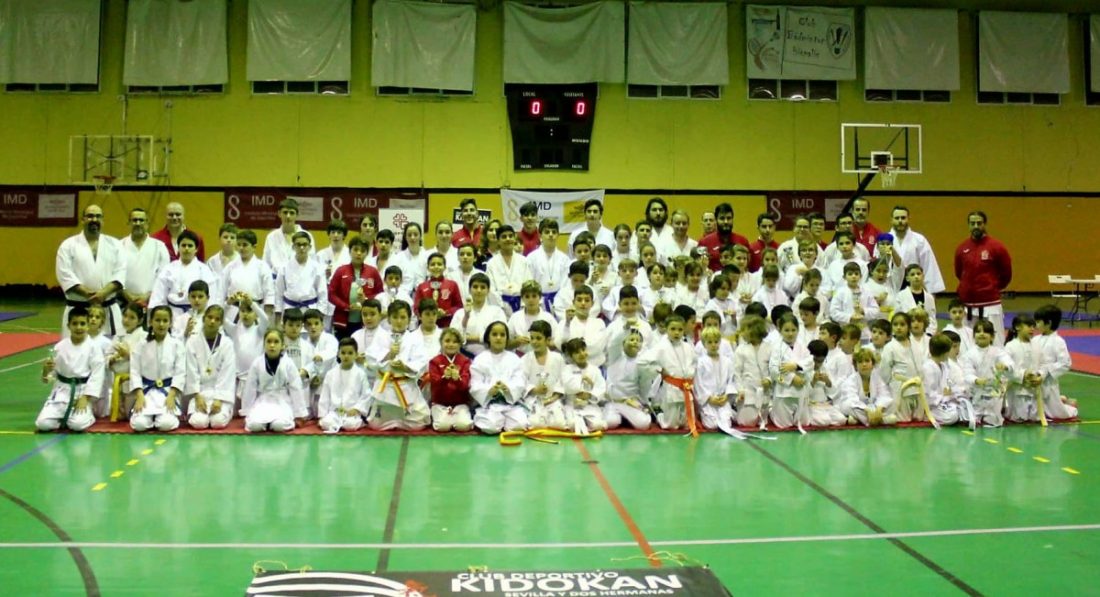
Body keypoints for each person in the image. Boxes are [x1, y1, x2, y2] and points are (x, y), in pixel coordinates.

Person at [56, 204, 126, 337]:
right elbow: (65, 275)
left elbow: (120, 272)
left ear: (103, 220)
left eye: (98, 216)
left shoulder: (115, 244)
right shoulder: (68, 245)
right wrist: (90, 294)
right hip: (78, 310)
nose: (94, 219)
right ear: (83, 220)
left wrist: (103, 294)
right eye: (90, 216)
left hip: (107, 308)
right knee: (75, 348)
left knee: (110, 347)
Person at [366, 300, 431, 430]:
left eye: (402, 317)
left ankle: (401, 420)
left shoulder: (415, 338)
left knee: (418, 424)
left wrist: (404, 367)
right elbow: (370, 358)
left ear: (409, 319)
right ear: (389, 319)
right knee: (375, 425)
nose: (399, 321)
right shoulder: (381, 336)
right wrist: (388, 355)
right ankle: (391, 420)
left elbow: (421, 361)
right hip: (385, 386)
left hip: (405, 385)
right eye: (395, 317)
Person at [36, 307, 103, 432]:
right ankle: (64, 418)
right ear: (68, 326)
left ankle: (89, 416)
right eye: (75, 324)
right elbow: (49, 378)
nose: (78, 327)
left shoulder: (93, 348)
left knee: (77, 425)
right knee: (42, 424)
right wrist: (46, 370)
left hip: (82, 392)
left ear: (88, 325)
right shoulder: (60, 347)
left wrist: (86, 398)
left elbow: (97, 375)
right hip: (61, 393)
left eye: (82, 323)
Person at [954, 210, 1012, 345]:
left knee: (996, 341)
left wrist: (992, 287)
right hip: (968, 303)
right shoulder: (962, 248)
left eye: (979, 223)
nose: (976, 226)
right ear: (968, 225)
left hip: (990, 303)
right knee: (968, 343)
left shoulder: (997, 247)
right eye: (972, 223)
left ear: (984, 224)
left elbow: (1006, 274)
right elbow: (959, 273)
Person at [129, 305, 186, 432]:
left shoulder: (177, 345)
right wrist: (139, 395)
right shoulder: (141, 345)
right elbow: (135, 371)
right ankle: (150, 419)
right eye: (157, 320)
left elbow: (180, 373)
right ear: (150, 322)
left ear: (170, 323)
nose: (161, 324)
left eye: (165, 321)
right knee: (139, 425)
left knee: (165, 424)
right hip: (146, 391)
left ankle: (159, 419)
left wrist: (172, 395)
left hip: (167, 391)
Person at [241, 329, 307, 432]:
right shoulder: (257, 363)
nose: (272, 345)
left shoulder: (288, 363)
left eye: (276, 342)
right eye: (269, 341)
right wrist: (246, 412)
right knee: (255, 426)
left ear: (282, 345)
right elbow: (250, 388)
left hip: (282, 402)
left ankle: (271, 424)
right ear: (264, 344)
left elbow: (296, 388)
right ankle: (265, 424)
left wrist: (300, 414)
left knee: (278, 426)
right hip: (263, 402)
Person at [640, 314, 697, 431]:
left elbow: (695, 363)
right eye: (673, 329)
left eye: (680, 329)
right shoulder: (661, 347)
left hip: (686, 387)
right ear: (666, 329)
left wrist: (691, 375)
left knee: (687, 424)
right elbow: (641, 361)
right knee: (671, 425)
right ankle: (658, 412)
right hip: (671, 387)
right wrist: (659, 369)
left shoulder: (688, 347)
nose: (676, 333)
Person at [184, 305, 237, 429]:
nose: (212, 321)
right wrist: (197, 396)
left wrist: (219, 399)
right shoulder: (192, 341)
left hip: (220, 393)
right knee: (198, 423)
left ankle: (225, 410)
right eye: (210, 317)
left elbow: (227, 374)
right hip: (200, 392)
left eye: (217, 319)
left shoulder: (227, 344)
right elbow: (191, 371)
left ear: (221, 323)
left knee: (217, 422)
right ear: (204, 318)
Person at [149, 231, 221, 321]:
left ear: (196, 249)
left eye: (190, 246)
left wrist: (207, 317)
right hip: (172, 314)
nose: (186, 248)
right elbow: (158, 296)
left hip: (196, 314)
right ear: (178, 248)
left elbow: (211, 298)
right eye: (183, 245)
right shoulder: (168, 269)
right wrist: (160, 317)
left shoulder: (204, 270)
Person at [470, 322, 527, 434]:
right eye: (494, 334)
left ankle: (504, 420)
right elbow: (475, 383)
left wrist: (508, 388)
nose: (498, 338)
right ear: (488, 337)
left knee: (519, 425)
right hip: (489, 405)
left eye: (502, 335)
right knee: (490, 427)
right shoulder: (480, 359)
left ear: (507, 338)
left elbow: (519, 381)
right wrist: (489, 390)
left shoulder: (514, 358)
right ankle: (496, 420)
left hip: (510, 404)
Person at [878, 206, 945, 294]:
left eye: (903, 218)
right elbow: (877, 264)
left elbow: (928, 265)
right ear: (891, 220)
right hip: (890, 285)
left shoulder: (919, 240)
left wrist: (931, 293)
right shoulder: (884, 240)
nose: (900, 221)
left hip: (913, 285)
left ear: (908, 219)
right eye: (897, 218)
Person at [327, 235, 384, 339]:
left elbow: (380, 294)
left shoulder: (372, 272)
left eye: (362, 251)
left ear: (366, 253)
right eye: (356, 249)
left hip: (366, 320)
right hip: (342, 320)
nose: (358, 253)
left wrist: (366, 300)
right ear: (350, 251)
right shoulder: (341, 271)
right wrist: (346, 306)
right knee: (344, 347)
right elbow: (331, 294)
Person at [959, 319, 1011, 428]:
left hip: (993, 392)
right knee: (973, 419)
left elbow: (1008, 362)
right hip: (976, 391)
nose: (982, 334)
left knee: (993, 420)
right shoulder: (969, 354)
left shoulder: (998, 352)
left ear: (992, 337)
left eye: (985, 332)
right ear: (974, 336)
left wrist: (1005, 366)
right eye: (978, 332)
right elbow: (967, 373)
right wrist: (976, 380)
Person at [1032, 304, 1078, 421]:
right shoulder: (1035, 339)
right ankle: (1061, 399)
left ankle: (1069, 406)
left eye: (1038, 322)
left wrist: (1046, 372)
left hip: (1048, 382)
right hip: (1033, 381)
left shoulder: (1058, 342)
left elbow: (1065, 363)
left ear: (1048, 323)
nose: (1036, 325)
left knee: (1056, 414)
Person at [768, 313, 812, 430]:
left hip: (801, 389)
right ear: (780, 330)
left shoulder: (802, 346)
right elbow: (774, 371)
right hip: (783, 391)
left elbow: (810, 364)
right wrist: (791, 379)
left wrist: (796, 366)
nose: (790, 333)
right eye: (786, 330)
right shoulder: (777, 348)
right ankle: (771, 410)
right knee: (783, 425)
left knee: (804, 423)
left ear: (798, 330)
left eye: (793, 330)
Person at [694, 327, 740, 436]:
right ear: (704, 344)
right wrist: (709, 398)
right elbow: (698, 383)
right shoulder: (700, 363)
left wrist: (727, 396)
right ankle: (705, 413)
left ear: (720, 342)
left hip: (723, 398)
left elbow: (731, 380)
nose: (713, 345)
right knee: (712, 425)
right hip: (709, 400)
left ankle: (729, 412)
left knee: (726, 424)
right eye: (710, 342)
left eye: (716, 342)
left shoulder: (727, 362)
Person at [120, 207, 170, 309]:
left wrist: (147, 295)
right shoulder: (119, 245)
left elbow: (164, 276)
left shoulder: (159, 247)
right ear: (129, 223)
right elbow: (114, 274)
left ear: (147, 223)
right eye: (134, 220)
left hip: (152, 301)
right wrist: (125, 293)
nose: (138, 223)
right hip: (124, 301)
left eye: (141, 220)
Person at [605, 329, 654, 430]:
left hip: (631, 402)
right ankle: (620, 417)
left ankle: (626, 418)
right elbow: (614, 343)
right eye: (631, 339)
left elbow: (645, 385)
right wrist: (625, 328)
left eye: (638, 340)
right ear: (623, 343)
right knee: (610, 422)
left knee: (644, 424)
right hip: (614, 401)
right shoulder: (615, 356)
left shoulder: (642, 362)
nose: (635, 342)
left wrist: (644, 403)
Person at [522, 321, 568, 430]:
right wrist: (534, 390)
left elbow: (563, 381)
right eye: (532, 338)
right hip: (534, 399)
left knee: (559, 424)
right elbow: (522, 381)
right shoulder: (525, 359)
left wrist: (554, 398)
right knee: (535, 424)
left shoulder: (558, 358)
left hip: (553, 399)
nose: (534, 342)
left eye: (538, 338)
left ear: (548, 340)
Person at [317, 338, 369, 433]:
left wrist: (357, 409)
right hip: (334, 412)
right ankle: (337, 424)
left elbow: (366, 395)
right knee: (325, 422)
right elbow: (325, 395)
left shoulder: (360, 374)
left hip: (351, 412)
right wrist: (322, 415)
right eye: (343, 353)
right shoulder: (330, 373)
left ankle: (349, 424)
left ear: (356, 355)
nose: (346, 356)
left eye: (350, 353)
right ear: (338, 354)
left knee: (350, 425)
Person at [427, 328, 474, 432]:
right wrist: (444, 378)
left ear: (460, 344)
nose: (451, 344)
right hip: (440, 403)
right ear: (441, 342)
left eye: (455, 341)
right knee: (443, 427)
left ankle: (455, 417)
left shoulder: (465, 361)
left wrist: (457, 379)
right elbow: (434, 383)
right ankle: (446, 417)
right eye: (447, 341)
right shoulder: (434, 362)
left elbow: (465, 385)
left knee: (464, 426)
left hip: (460, 404)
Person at [451, 273, 508, 357]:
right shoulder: (459, 313)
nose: (479, 290)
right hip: (464, 357)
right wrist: (466, 316)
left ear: (488, 290)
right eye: (475, 287)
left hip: (491, 356)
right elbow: (454, 337)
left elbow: (500, 336)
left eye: (482, 287)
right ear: (469, 290)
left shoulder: (497, 312)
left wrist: (468, 338)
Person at [222, 229, 275, 320]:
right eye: (239, 245)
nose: (241, 248)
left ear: (254, 247)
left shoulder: (262, 267)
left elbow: (269, 293)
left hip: (255, 310)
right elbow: (222, 292)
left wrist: (267, 316)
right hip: (233, 311)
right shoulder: (230, 267)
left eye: (245, 245)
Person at [276, 231, 327, 318]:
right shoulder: (284, 267)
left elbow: (322, 293)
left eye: (305, 244)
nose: (302, 247)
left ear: (310, 247)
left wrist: (320, 313)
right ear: (293, 247)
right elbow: (279, 293)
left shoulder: (318, 268)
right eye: (298, 245)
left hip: (311, 310)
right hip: (289, 309)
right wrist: (278, 312)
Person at [562, 338, 609, 433]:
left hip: (589, 405)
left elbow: (601, 387)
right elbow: (567, 387)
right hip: (572, 405)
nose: (581, 354)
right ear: (571, 356)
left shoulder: (595, 370)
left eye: (583, 350)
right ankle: (580, 423)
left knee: (599, 425)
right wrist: (581, 379)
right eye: (577, 352)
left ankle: (586, 425)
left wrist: (590, 395)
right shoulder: (567, 369)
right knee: (572, 424)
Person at [837, 348, 894, 426]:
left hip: (873, 407)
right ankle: (880, 419)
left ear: (872, 364)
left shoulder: (876, 378)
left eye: (867, 361)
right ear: (856, 366)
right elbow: (851, 400)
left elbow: (884, 395)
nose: (864, 364)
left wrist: (879, 408)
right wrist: (867, 410)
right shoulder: (851, 381)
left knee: (892, 403)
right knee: (847, 406)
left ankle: (861, 419)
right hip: (860, 409)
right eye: (860, 362)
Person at [527, 219, 571, 312]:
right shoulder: (531, 258)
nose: (551, 235)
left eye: (554, 232)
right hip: (538, 302)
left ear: (558, 235)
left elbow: (566, 285)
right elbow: (529, 282)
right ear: (540, 235)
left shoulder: (565, 259)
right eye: (547, 232)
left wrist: (560, 301)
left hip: (560, 303)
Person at [263, 199, 314, 279]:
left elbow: (312, 261)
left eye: (292, 213)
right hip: (276, 279)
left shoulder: (306, 236)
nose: (288, 216)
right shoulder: (271, 237)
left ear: (297, 215)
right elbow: (266, 263)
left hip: (300, 278)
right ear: (279, 213)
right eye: (285, 212)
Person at [486, 225, 532, 313]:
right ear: (498, 241)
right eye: (504, 237)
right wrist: (501, 308)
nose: (508, 239)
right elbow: (491, 290)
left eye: (510, 236)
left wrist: (523, 305)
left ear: (514, 238)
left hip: (521, 306)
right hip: (500, 308)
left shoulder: (523, 261)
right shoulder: (492, 263)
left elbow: (528, 285)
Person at [920, 334, 962, 426]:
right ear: (944, 352)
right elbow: (928, 395)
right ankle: (927, 417)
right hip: (931, 406)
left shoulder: (943, 366)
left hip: (942, 402)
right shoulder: (928, 368)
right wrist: (945, 396)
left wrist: (951, 392)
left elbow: (947, 385)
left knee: (961, 408)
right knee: (952, 417)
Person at [698, 203, 751, 272]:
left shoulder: (742, 241)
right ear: (716, 220)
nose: (726, 222)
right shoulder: (704, 242)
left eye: (729, 218)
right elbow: (699, 267)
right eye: (722, 218)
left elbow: (749, 267)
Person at [413, 253, 462, 327]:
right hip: (426, 326)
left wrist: (446, 312)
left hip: (447, 325)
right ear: (428, 268)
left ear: (445, 267)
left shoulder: (452, 285)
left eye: (439, 264)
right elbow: (416, 308)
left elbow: (458, 306)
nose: (436, 267)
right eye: (432, 264)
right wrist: (428, 314)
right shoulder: (422, 286)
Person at [896, 264, 938, 334]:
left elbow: (932, 319)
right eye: (912, 274)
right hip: (907, 333)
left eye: (918, 274)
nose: (916, 276)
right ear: (907, 278)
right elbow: (898, 317)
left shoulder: (929, 297)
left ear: (923, 276)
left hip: (926, 333)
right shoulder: (900, 296)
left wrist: (929, 334)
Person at [391, 222, 428, 294]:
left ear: (420, 236)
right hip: (403, 294)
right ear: (405, 237)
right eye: (409, 235)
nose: (412, 237)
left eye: (415, 234)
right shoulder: (398, 257)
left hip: (424, 294)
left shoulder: (428, 256)